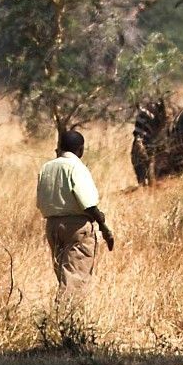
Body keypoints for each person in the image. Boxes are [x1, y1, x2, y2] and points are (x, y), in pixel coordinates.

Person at [36, 130, 114, 304]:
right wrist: (102, 222)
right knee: (75, 279)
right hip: (76, 227)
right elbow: (88, 203)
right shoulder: (76, 167)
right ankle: (65, 322)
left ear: (60, 147)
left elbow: (40, 201)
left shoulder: (46, 168)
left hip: (52, 225)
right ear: (80, 149)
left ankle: (62, 319)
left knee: (63, 274)